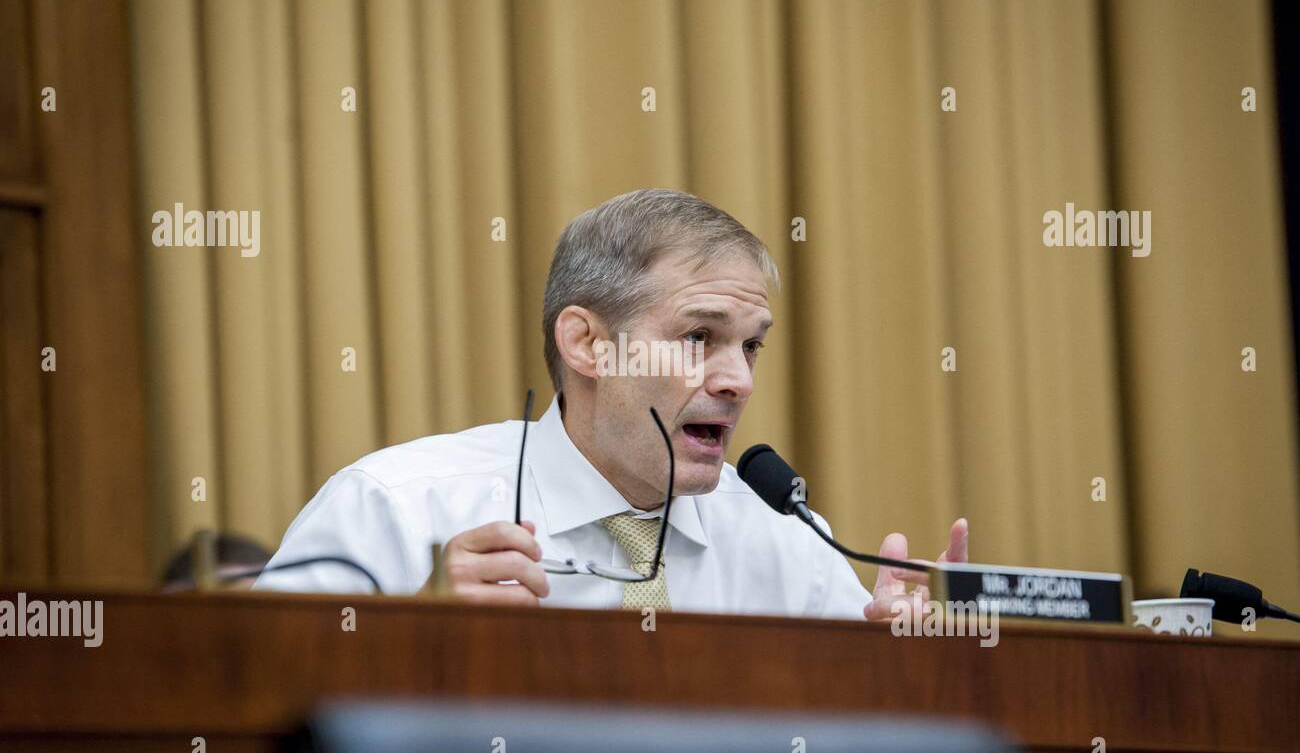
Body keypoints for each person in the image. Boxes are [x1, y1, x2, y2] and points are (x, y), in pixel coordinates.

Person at [255, 189, 968, 619]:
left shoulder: (784, 543)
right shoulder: (398, 508)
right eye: (699, 337)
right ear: (588, 344)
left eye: (750, 346)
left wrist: (899, 676)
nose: (738, 381)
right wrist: (406, 639)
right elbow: (243, 709)